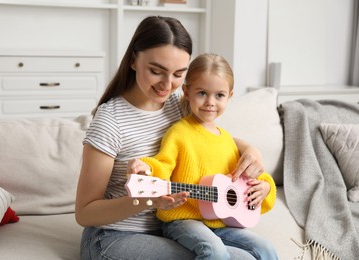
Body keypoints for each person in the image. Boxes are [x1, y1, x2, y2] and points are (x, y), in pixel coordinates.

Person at [75, 16, 266, 260]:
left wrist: (252, 151)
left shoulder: (178, 104)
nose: (167, 85)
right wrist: (145, 201)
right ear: (133, 60)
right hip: (113, 237)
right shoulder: (110, 120)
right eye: (157, 71)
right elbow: (85, 213)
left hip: (170, 229)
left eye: (178, 74)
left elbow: (214, 138)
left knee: (257, 252)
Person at [127, 53, 278, 259]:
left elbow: (246, 179)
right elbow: (163, 164)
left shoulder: (226, 139)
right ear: (187, 92)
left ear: (229, 96)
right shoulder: (179, 133)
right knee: (214, 251)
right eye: (202, 93)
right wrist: (146, 169)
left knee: (265, 248)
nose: (210, 102)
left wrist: (266, 187)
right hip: (183, 220)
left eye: (219, 95)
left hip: (221, 223)